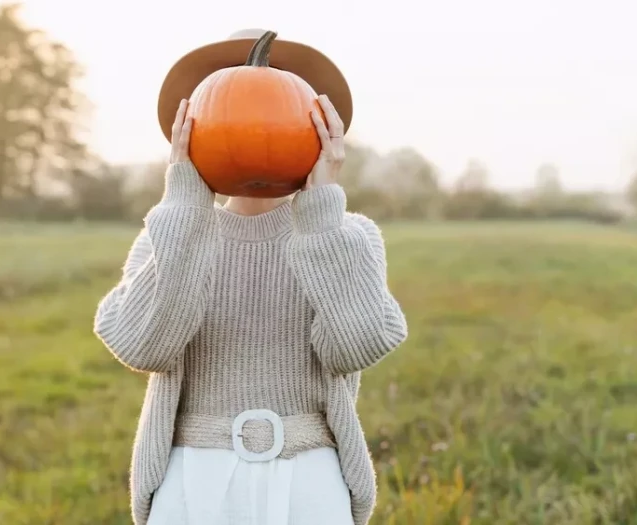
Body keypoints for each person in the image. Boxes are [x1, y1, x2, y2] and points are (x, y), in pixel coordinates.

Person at [94, 29, 408, 525]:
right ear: (190, 125)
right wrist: (184, 206)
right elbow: (144, 347)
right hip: (191, 474)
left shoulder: (348, 236)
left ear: (319, 124)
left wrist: (322, 213)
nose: (256, 118)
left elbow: (357, 345)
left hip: (309, 475)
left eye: (277, 99)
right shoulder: (170, 236)